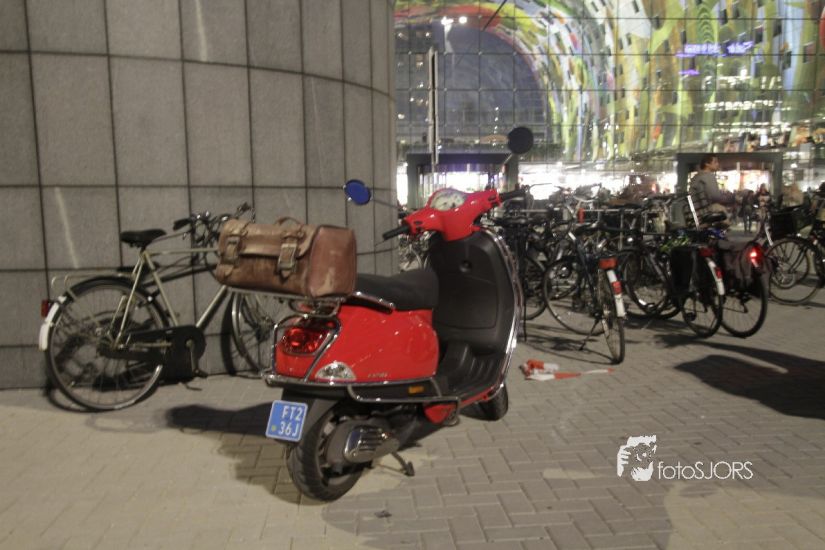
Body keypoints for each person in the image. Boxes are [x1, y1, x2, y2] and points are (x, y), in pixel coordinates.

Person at [688, 154, 727, 226]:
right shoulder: (708, 176)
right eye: (715, 162)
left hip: (694, 211)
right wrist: (723, 197)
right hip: (704, 210)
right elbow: (715, 196)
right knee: (721, 210)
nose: (717, 164)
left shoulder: (696, 177)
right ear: (707, 164)